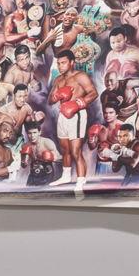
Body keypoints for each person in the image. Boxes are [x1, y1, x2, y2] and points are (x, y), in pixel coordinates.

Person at [47, 46, 97, 184]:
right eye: (58, 63)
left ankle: (81, 180)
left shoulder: (80, 76)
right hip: (63, 115)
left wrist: (78, 103)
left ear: (71, 62)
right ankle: (66, 176)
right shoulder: (58, 80)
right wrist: (57, 95)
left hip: (77, 114)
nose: (60, 66)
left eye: (63, 63)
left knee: (76, 150)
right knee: (65, 149)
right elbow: (50, 100)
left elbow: (93, 93)